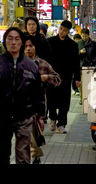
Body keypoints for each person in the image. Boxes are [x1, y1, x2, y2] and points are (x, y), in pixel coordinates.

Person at [0, 27, 45, 164]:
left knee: (23, 155)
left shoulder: (31, 66)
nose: (13, 42)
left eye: (17, 39)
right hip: (0, 116)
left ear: (21, 42)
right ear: (5, 41)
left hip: (24, 116)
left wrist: (40, 115)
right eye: (10, 39)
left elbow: (38, 92)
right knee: (2, 154)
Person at [24, 35, 61, 164]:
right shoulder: (16, 63)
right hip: (20, 104)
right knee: (25, 132)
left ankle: (35, 155)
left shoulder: (42, 64)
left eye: (31, 46)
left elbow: (57, 79)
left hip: (38, 104)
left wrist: (46, 77)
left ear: (35, 47)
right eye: (26, 46)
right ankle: (33, 155)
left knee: (34, 130)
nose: (28, 49)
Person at [47, 20, 81, 134]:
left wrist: (77, 78)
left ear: (68, 32)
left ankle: (61, 125)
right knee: (50, 99)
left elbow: (76, 62)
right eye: (61, 29)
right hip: (51, 76)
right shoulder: (50, 42)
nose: (62, 31)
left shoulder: (73, 45)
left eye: (64, 30)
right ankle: (52, 117)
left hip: (66, 77)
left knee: (64, 102)